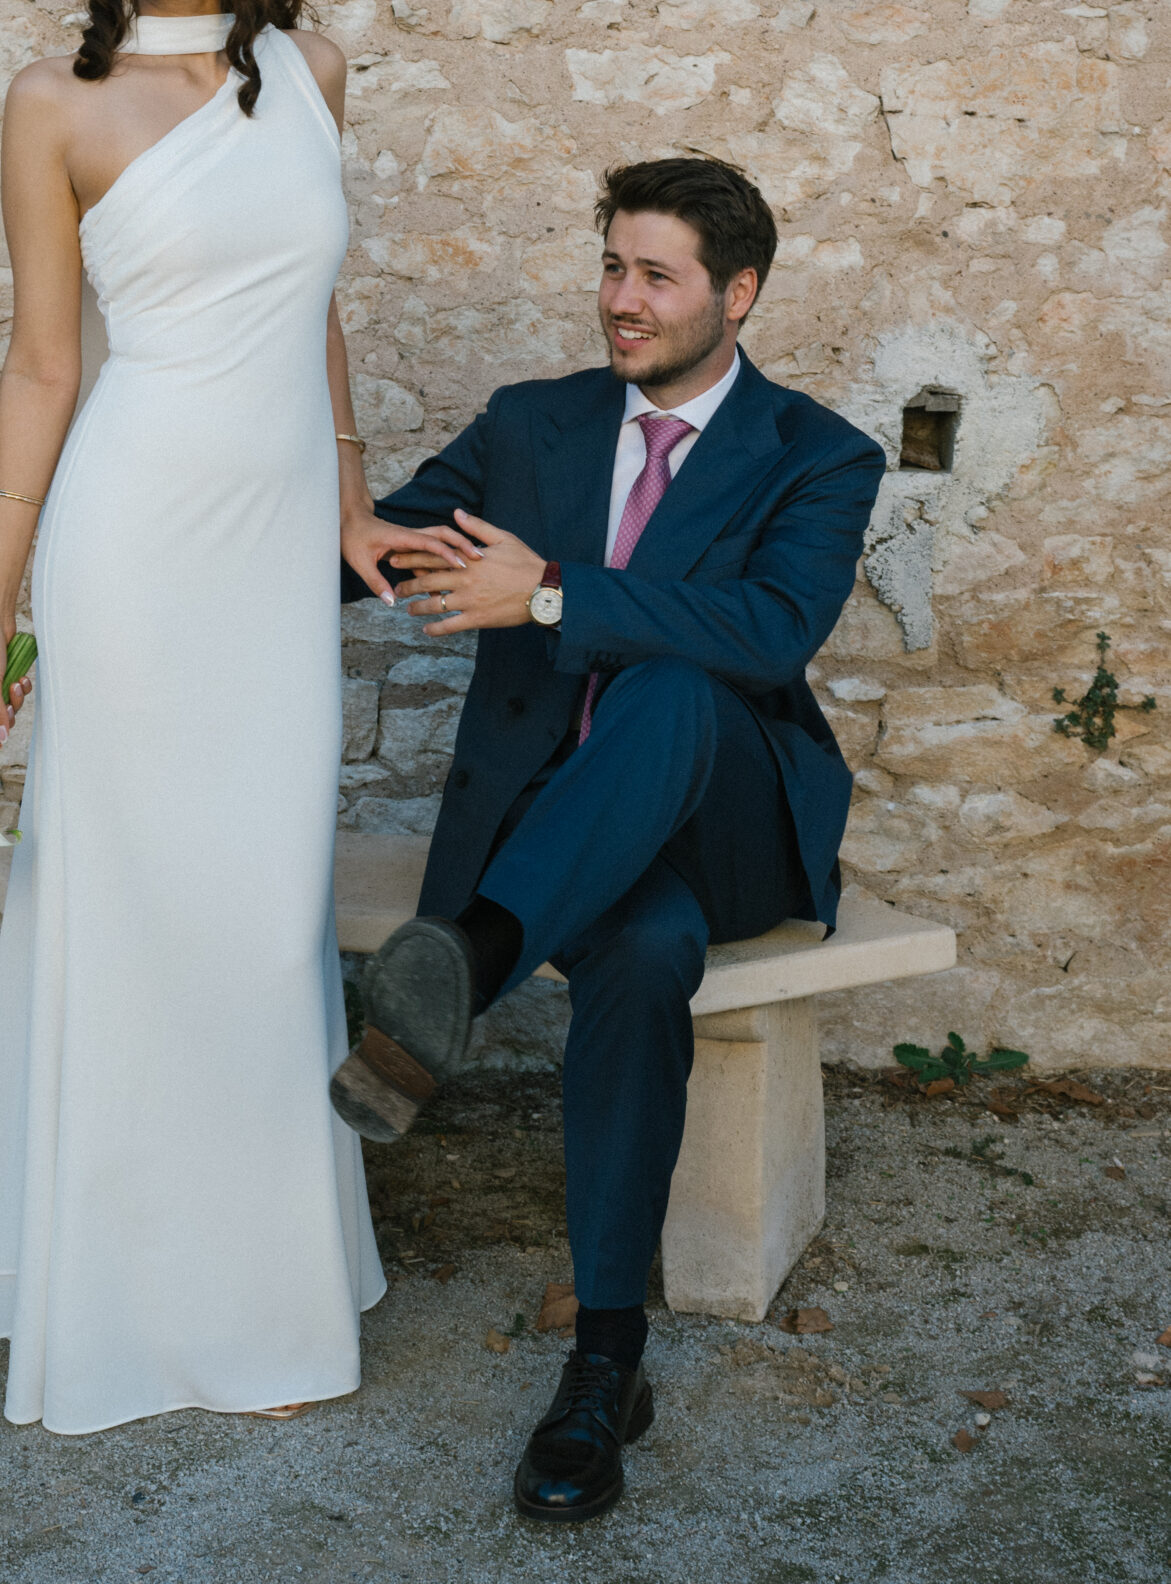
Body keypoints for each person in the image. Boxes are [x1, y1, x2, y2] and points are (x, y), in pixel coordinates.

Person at [0, 0, 460, 1432]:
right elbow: (44, 361)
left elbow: (303, 303)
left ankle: (265, 1282)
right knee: (140, 903)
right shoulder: (56, 101)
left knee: (255, 913)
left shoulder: (313, 74)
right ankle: (126, 1298)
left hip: (262, 561)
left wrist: (353, 492)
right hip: (132, 545)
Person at [331, 157, 886, 1523]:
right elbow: (387, 545)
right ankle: (603, 1371)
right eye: (611, 268)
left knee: (687, 684)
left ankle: (464, 960)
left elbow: (768, 634)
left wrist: (551, 595)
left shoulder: (820, 453)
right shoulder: (536, 427)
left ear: (738, 293)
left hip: (730, 829)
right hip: (565, 842)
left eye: (657, 276)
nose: (622, 302)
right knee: (641, 958)